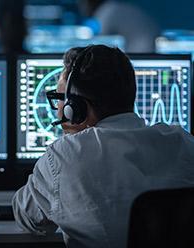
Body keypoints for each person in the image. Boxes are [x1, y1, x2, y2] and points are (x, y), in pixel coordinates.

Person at [12, 45, 194, 248]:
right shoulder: (184, 144)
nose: (59, 110)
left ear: (76, 108)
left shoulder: (63, 156)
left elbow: (28, 218)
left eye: (62, 99)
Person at [78, 0, 160, 53]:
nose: (82, 8)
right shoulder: (114, 7)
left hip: (142, 52)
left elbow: (99, 43)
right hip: (150, 47)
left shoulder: (107, 11)